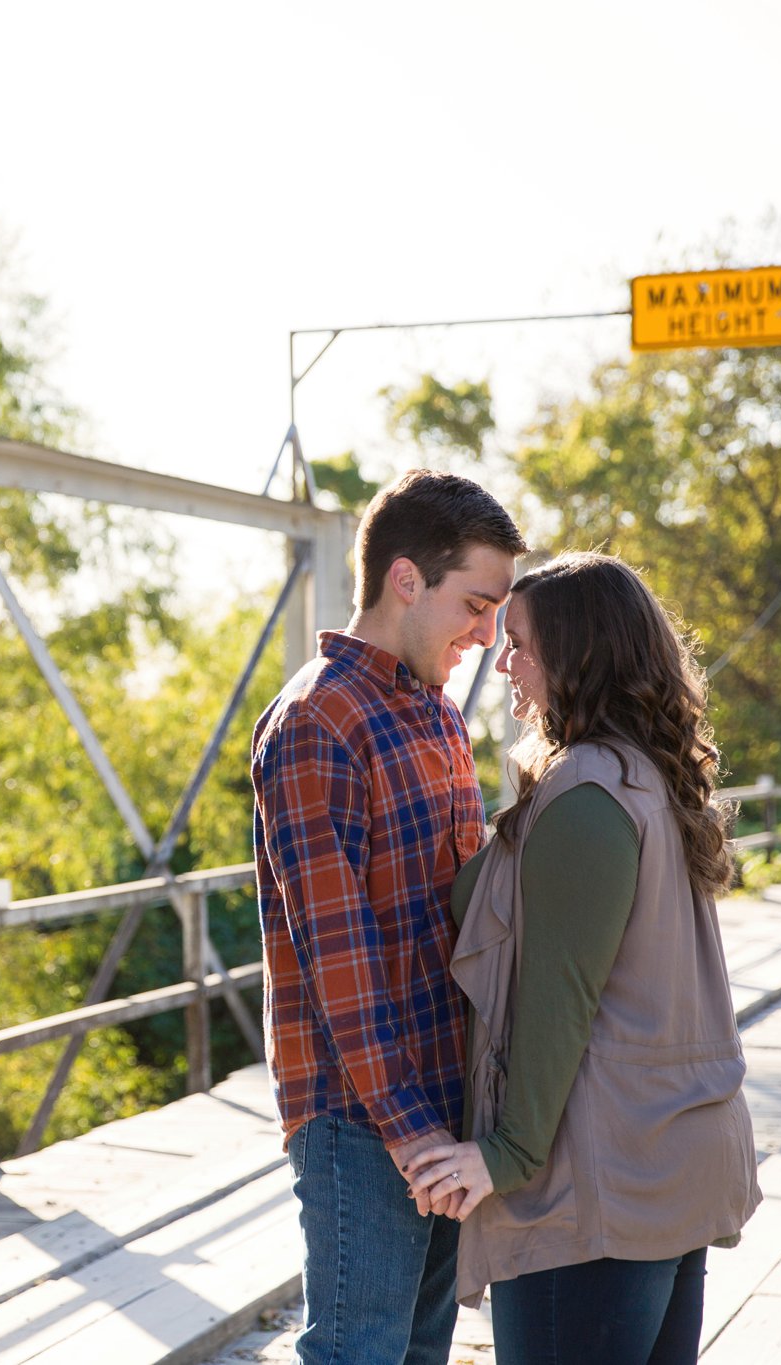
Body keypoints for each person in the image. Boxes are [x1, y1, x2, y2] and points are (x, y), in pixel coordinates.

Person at [407, 551, 761, 1365]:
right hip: (672, 1164)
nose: (503, 659)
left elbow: (557, 998)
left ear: (578, 654)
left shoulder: (586, 795)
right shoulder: (653, 781)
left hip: (594, 1187)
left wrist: (506, 1154)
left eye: (521, 642)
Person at [251, 468, 527, 1365]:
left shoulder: (439, 717)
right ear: (406, 579)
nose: (487, 636)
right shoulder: (316, 722)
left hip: (447, 1104)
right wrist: (412, 1133)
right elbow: (342, 962)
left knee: (420, 1355)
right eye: (476, 605)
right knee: (356, 1355)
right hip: (365, 1119)